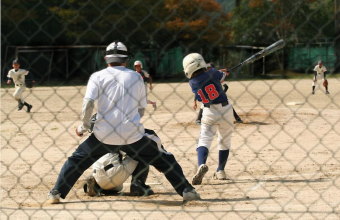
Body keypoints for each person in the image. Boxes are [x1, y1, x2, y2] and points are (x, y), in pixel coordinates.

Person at [47, 41, 200, 204]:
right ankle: (186, 190)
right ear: (126, 59)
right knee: (163, 158)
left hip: (102, 134)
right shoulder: (136, 77)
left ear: (106, 59)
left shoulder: (97, 77)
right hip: (132, 135)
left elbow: (88, 104)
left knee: (76, 161)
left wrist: (84, 126)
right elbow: (141, 109)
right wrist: (129, 123)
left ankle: (56, 193)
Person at [183, 53, 234, 185]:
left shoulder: (192, 82)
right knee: (224, 140)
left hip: (208, 111)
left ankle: (201, 164)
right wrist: (223, 72)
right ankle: (221, 171)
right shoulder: (212, 72)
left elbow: (210, 77)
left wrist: (217, 72)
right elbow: (221, 77)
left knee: (204, 139)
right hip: (225, 110)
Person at [83, 129, 167, 197]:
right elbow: (151, 139)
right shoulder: (129, 129)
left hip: (97, 172)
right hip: (114, 172)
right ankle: (138, 186)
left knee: (119, 186)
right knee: (143, 150)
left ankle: (98, 186)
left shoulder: (101, 130)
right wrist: (158, 163)